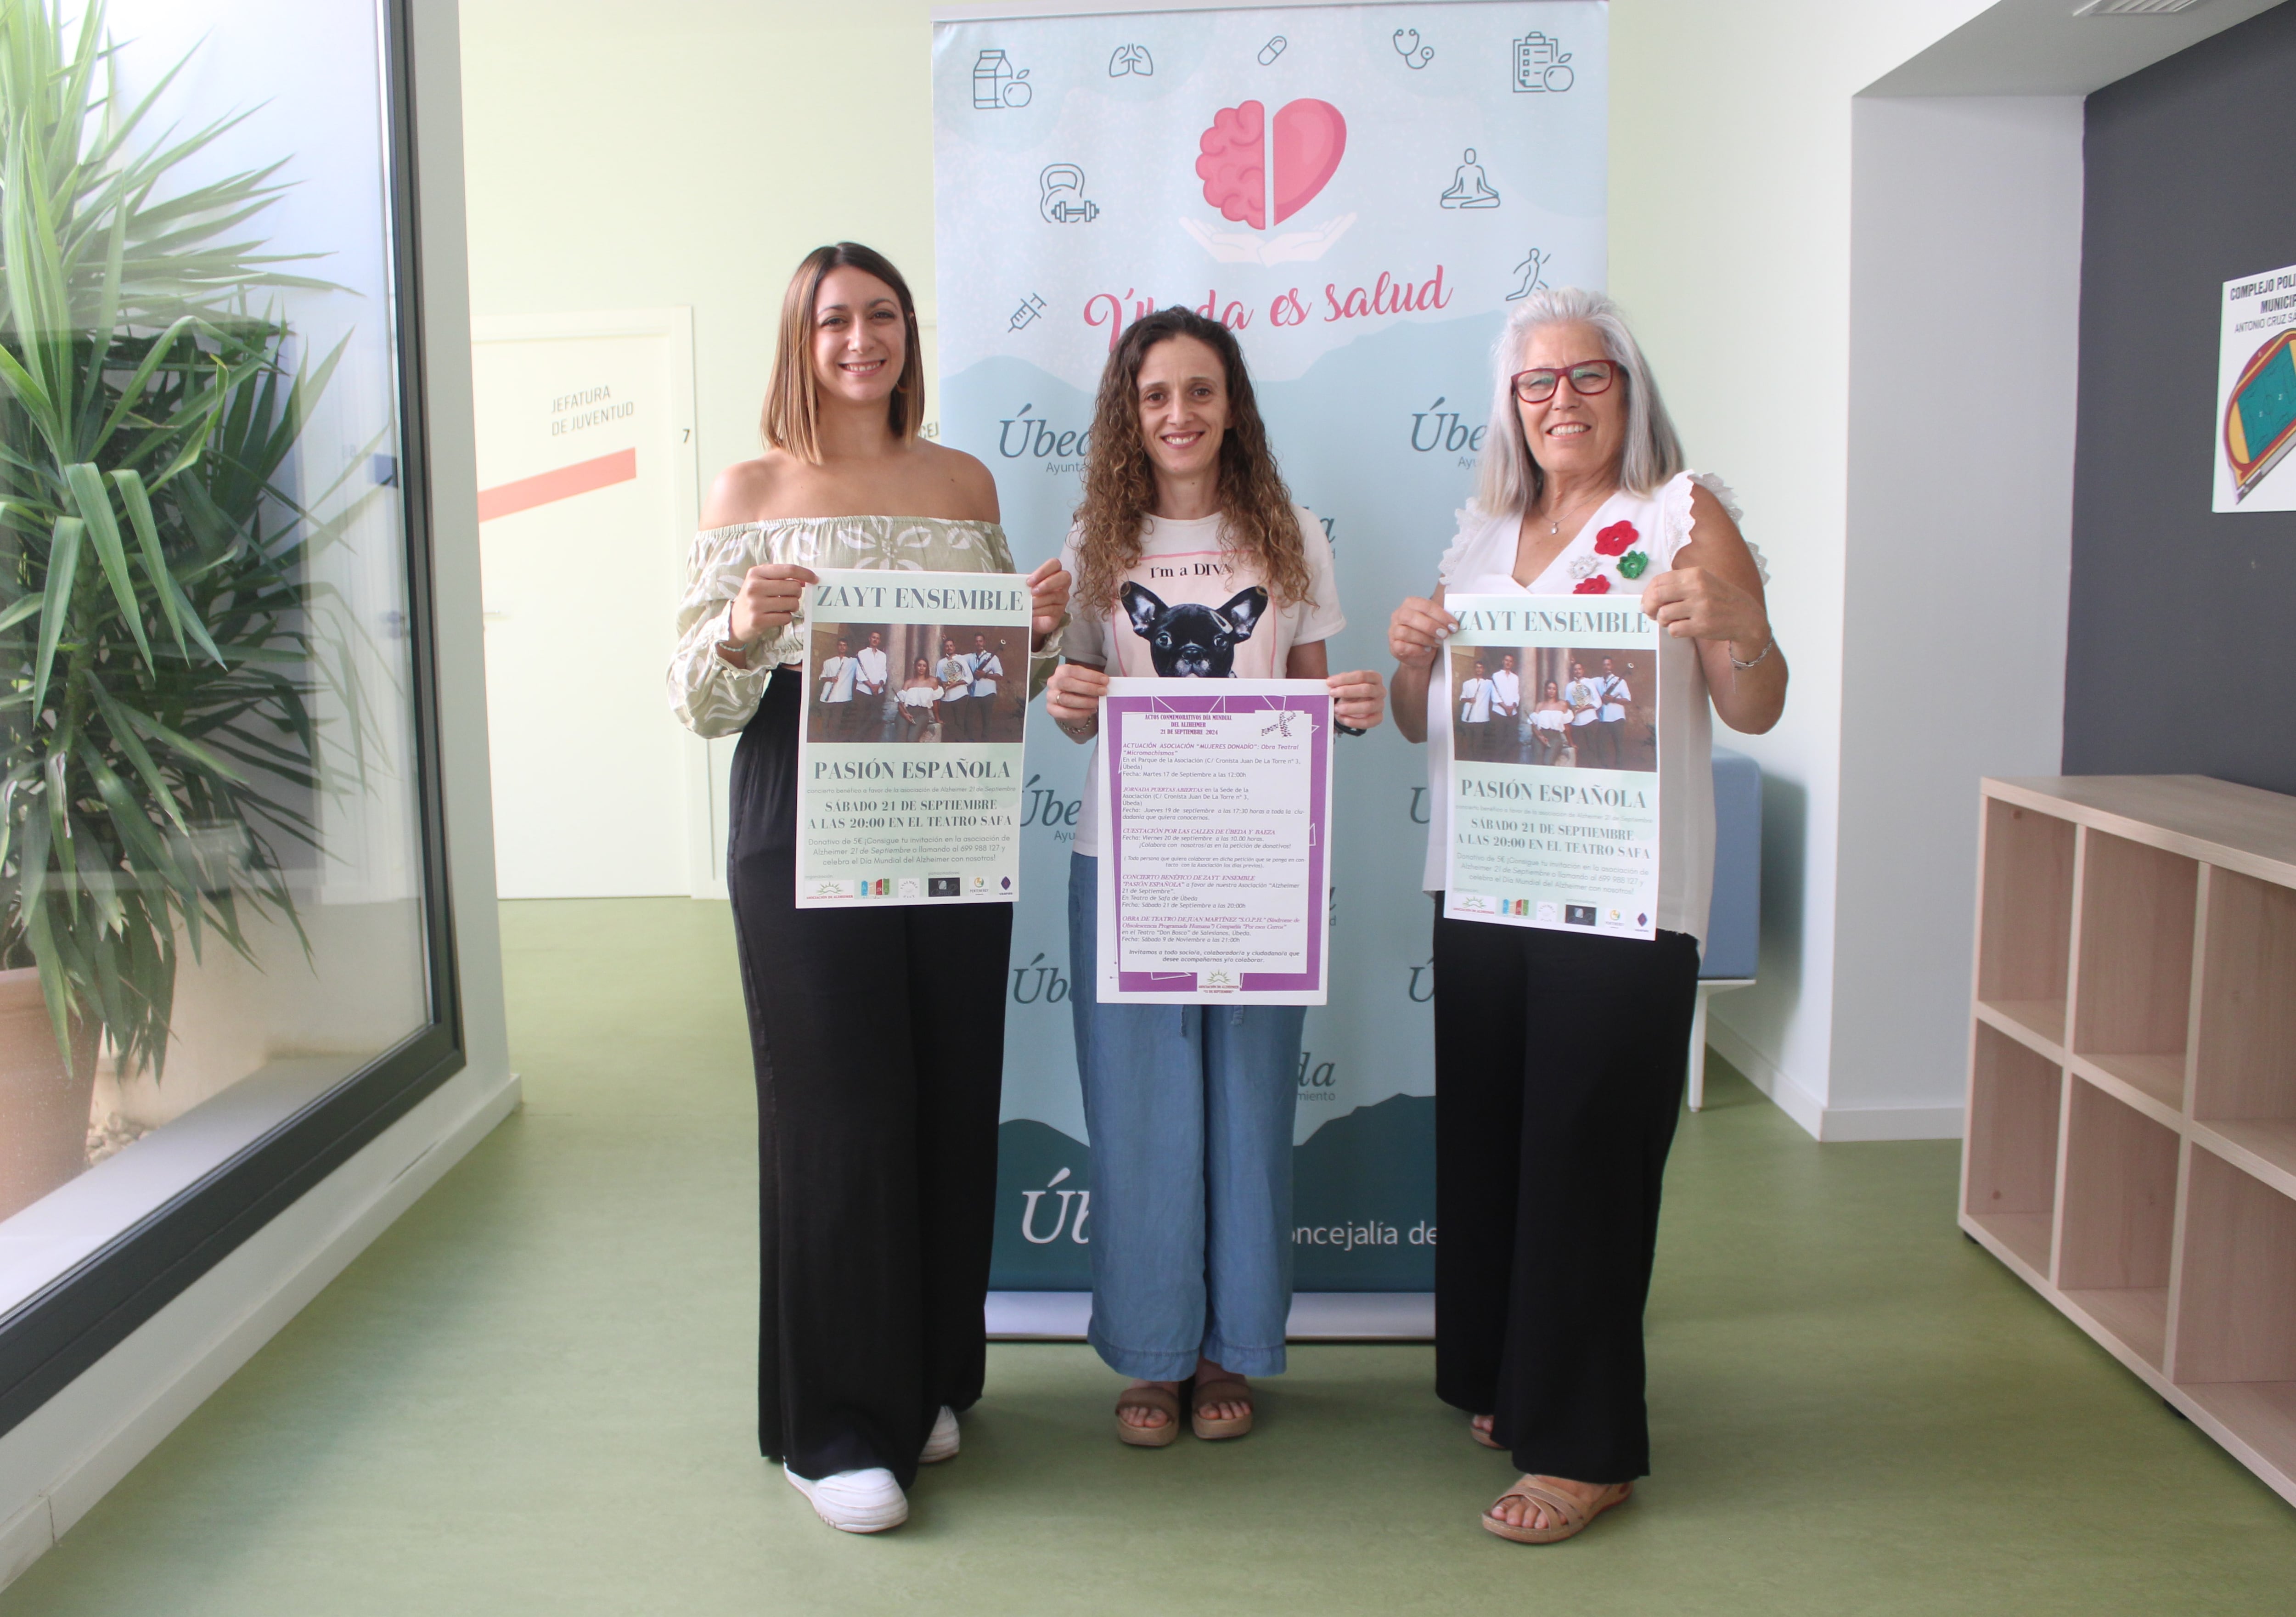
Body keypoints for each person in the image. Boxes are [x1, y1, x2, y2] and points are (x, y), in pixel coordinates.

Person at [666, 242, 1070, 1534]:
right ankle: (831, 1424)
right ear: (799, 337)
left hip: (946, 797)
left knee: (950, 1090)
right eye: (834, 319)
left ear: (908, 334)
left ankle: (929, 1376)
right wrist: (740, 627)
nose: (860, 340)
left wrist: (1038, 621)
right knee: (840, 1108)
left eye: (881, 316)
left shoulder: (962, 481)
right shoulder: (749, 487)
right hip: (803, 803)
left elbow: (994, 665)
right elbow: (692, 696)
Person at [1385, 287, 1786, 1545]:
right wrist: (1409, 660)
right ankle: (1513, 1375)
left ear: (1630, 385)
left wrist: (1741, 626)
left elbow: (1756, 701)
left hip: (1622, 895)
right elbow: (1421, 724)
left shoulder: (1679, 514)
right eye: (1537, 384)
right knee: (1500, 1140)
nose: (1563, 402)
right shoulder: (1482, 533)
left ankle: (1587, 1443)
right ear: (1512, 406)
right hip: (1489, 880)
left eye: (1588, 377)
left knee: (1589, 1152)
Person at [1041, 307, 1384, 1448]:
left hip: (1255, 866)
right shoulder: (1098, 537)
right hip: (1126, 865)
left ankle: (1226, 1348)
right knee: (1139, 1116)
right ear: (1128, 413)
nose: (1178, 414)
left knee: (1246, 1108)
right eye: (1155, 396)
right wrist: (1063, 700)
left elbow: (1311, 698)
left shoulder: (1285, 534)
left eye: (1200, 391)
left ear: (1231, 402)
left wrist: (1355, 708)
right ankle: (1149, 1355)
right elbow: (1082, 707)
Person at [1594, 655, 1632, 769]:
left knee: (1618, 744)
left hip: (1617, 718)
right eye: (1604, 665)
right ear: (1602, 666)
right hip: (1603, 719)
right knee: (1600, 743)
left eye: (1608, 664)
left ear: (1612, 666)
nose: (1606, 667)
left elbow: (1628, 700)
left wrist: (1613, 700)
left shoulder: (1620, 682)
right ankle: (1604, 767)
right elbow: (1584, 683)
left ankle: (1619, 768)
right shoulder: (1597, 681)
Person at [967, 632, 1006, 743]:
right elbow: (957, 658)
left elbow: (1000, 675)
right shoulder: (970, 657)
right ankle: (971, 742)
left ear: (984, 643)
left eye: (980, 641)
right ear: (974, 643)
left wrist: (984, 675)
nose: (978, 643)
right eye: (976, 641)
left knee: (986, 720)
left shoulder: (993, 658)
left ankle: (985, 743)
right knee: (969, 720)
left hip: (988, 694)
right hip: (974, 694)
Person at [854, 629, 892, 741]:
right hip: (864, 691)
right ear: (870, 639)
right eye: (873, 637)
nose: (875, 640)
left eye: (878, 638)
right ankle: (858, 741)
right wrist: (872, 686)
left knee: (875, 718)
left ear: (880, 641)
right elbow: (859, 673)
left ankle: (864, 740)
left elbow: (884, 672)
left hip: (878, 692)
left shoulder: (883, 656)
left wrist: (879, 685)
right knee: (861, 717)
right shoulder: (862, 653)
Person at [816, 636, 857, 739]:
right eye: (840, 645)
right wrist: (831, 679)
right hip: (827, 697)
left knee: (836, 723)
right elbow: (822, 678)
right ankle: (825, 741)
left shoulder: (852, 662)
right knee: (825, 722)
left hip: (841, 698)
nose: (842, 648)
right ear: (837, 647)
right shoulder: (828, 662)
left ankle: (833, 742)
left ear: (847, 648)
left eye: (845, 646)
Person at [1457, 656, 1496, 761]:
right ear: (1475, 669)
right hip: (1468, 718)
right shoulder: (1467, 683)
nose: (1479, 669)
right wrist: (1470, 699)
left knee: (1478, 744)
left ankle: (1477, 762)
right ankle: (1470, 761)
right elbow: (1462, 698)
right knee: (1469, 743)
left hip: (1481, 719)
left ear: (1484, 670)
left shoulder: (1489, 683)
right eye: (1477, 668)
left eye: (1481, 668)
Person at [934, 635, 973, 739]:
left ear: (954, 647)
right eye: (947, 646)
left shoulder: (961, 659)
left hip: (961, 696)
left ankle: (961, 748)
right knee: (948, 724)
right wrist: (943, 683)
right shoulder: (940, 663)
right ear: (944, 648)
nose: (949, 648)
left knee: (960, 723)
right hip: (946, 698)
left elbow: (970, 677)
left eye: (951, 646)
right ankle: (965, 743)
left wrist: (956, 683)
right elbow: (938, 679)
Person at [1563, 658, 1600, 764]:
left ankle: (1594, 770)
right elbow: (1568, 703)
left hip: (1591, 721)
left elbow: (1598, 701)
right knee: (1580, 750)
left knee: (1592, 748)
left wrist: (1585, 707)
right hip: (1577, 722)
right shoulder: (1569, 686)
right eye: (1575, 670)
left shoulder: (1589, 682)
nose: (1578, 671)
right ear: (1573, 672)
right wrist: (1573, 708)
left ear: (1583, 670)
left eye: (1579, 669)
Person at [899, 656, 943, 741]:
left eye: (924, 666)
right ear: (915, 666)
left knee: (912, 739)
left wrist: (937, 719)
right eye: (919, 665)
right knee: (901, 739)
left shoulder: (933, 681)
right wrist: (905, 715)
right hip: (905, 713)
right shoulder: (909, 683)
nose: (921, 668)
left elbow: (935, 702)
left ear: (927, 668)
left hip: (922, 714)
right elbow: (900, 703)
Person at [1491, 652, 1524, 763]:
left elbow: (1517, 694)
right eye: (1506, 660)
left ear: (1513, 663)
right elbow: (1495, 695)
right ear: (1503, 662)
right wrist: (1506, 707)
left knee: (1513, 739)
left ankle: (1504, 760)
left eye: (1510, 661)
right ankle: (1498, 761)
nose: (1508, 663)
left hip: (1512, 713)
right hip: (1500, 712)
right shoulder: (1496, 676)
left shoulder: (1515, 678)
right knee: (1499, 739)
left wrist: (1513, 706)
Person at [1531, 678, 1571, 766]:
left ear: (1557, 691)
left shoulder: (1563, 705)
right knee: (1537, 762)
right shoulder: (1540, 705)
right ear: (1546, 690)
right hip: (1539, 736)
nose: (1551, 691)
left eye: (1554, 689)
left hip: (1555, 737)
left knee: (1548, 762)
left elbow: (1567, 727)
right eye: (1549, 688)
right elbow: (1533, 726)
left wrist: (1571, 742)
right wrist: (1540, 737)